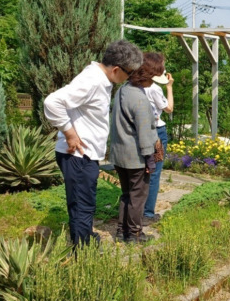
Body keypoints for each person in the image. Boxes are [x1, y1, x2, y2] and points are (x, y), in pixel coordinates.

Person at [44, 40, 143, 246]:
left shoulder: (100, 79)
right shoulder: (93, 81)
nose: (130, 78)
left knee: (82, 201)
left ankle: (85, 237)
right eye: (129, 73)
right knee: (83, 205)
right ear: (116, 69)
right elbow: (52, 102)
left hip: (83, 155)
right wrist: (70, 133)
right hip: (77, 154)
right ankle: (83, 252)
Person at [110, 54, 163, 243]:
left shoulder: (122, 90)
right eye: (153, 76)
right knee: (138, 196)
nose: (154, 81)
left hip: (119, 154)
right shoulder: (139, 98)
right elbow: (143, 131)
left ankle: (121, 231)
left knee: (126, 193)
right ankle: (134, 234)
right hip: (135, 157)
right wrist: (150, 158)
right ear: (144, 75)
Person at [142, 53, 174, 224]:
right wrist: (169, 87)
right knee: (154, 171)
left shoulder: (133, 86)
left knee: (139, 172)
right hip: (157, 133)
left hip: (140, 131)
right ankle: (148, 213)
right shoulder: (154, 88)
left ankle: (136, 210)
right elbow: (168, 108)